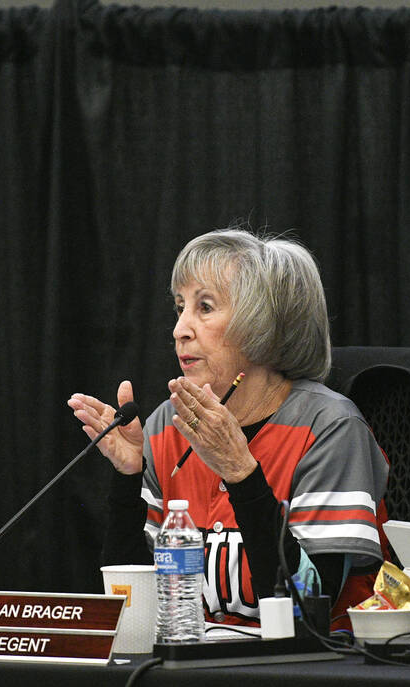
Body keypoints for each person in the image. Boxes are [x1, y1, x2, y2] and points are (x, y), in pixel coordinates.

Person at [68, 229, 389, 628]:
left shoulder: (329, 429)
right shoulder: (168, 425)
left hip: (309, 664)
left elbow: (309, 608)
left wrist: (241, 472)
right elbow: (132, 612)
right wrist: (128, 478)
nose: (180, 329)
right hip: (198, 660)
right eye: (180, 307)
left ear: (263, 324)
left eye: (204, 307)